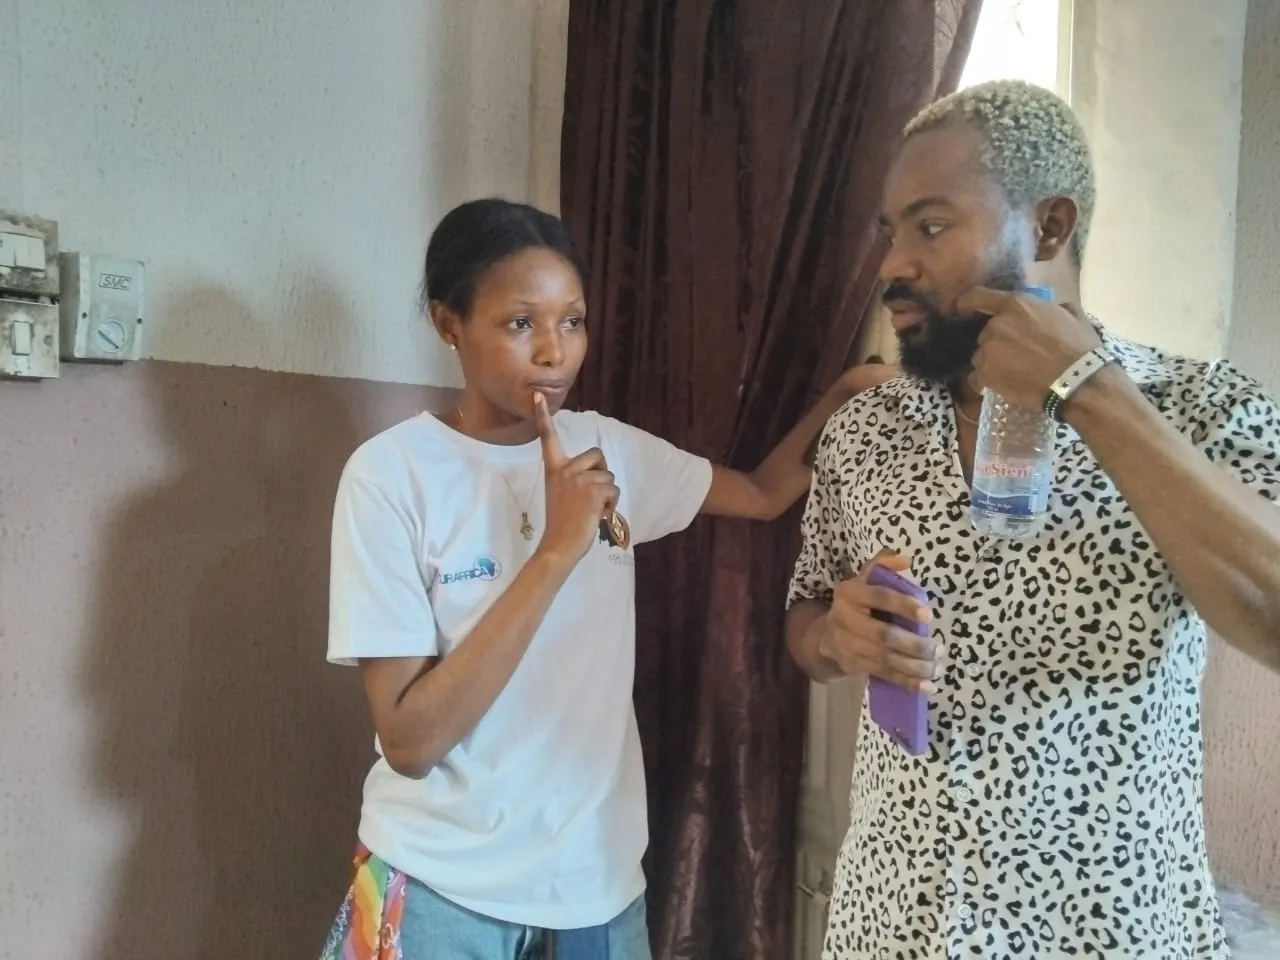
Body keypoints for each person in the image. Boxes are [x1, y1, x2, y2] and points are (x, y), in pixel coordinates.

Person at [319, 197, 895, 960]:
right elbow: (411, 741)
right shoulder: (392, 476)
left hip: (597, 891)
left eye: (573, 321)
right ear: (448, 323)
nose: (554, 352)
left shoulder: (609, 450)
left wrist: (845, 396)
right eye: (519, 323)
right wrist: (556, 551)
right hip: (438, 891)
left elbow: (760, 493)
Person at [785, 79, 1280, 959]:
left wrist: (1088, 391)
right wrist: (835, 637)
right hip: (894, 923)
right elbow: (806, 618)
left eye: (931, 227)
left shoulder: (1199, 410)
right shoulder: (865, 430)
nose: (892, 265)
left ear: (1048, 227)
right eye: (890, 233)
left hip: (1107, 930)